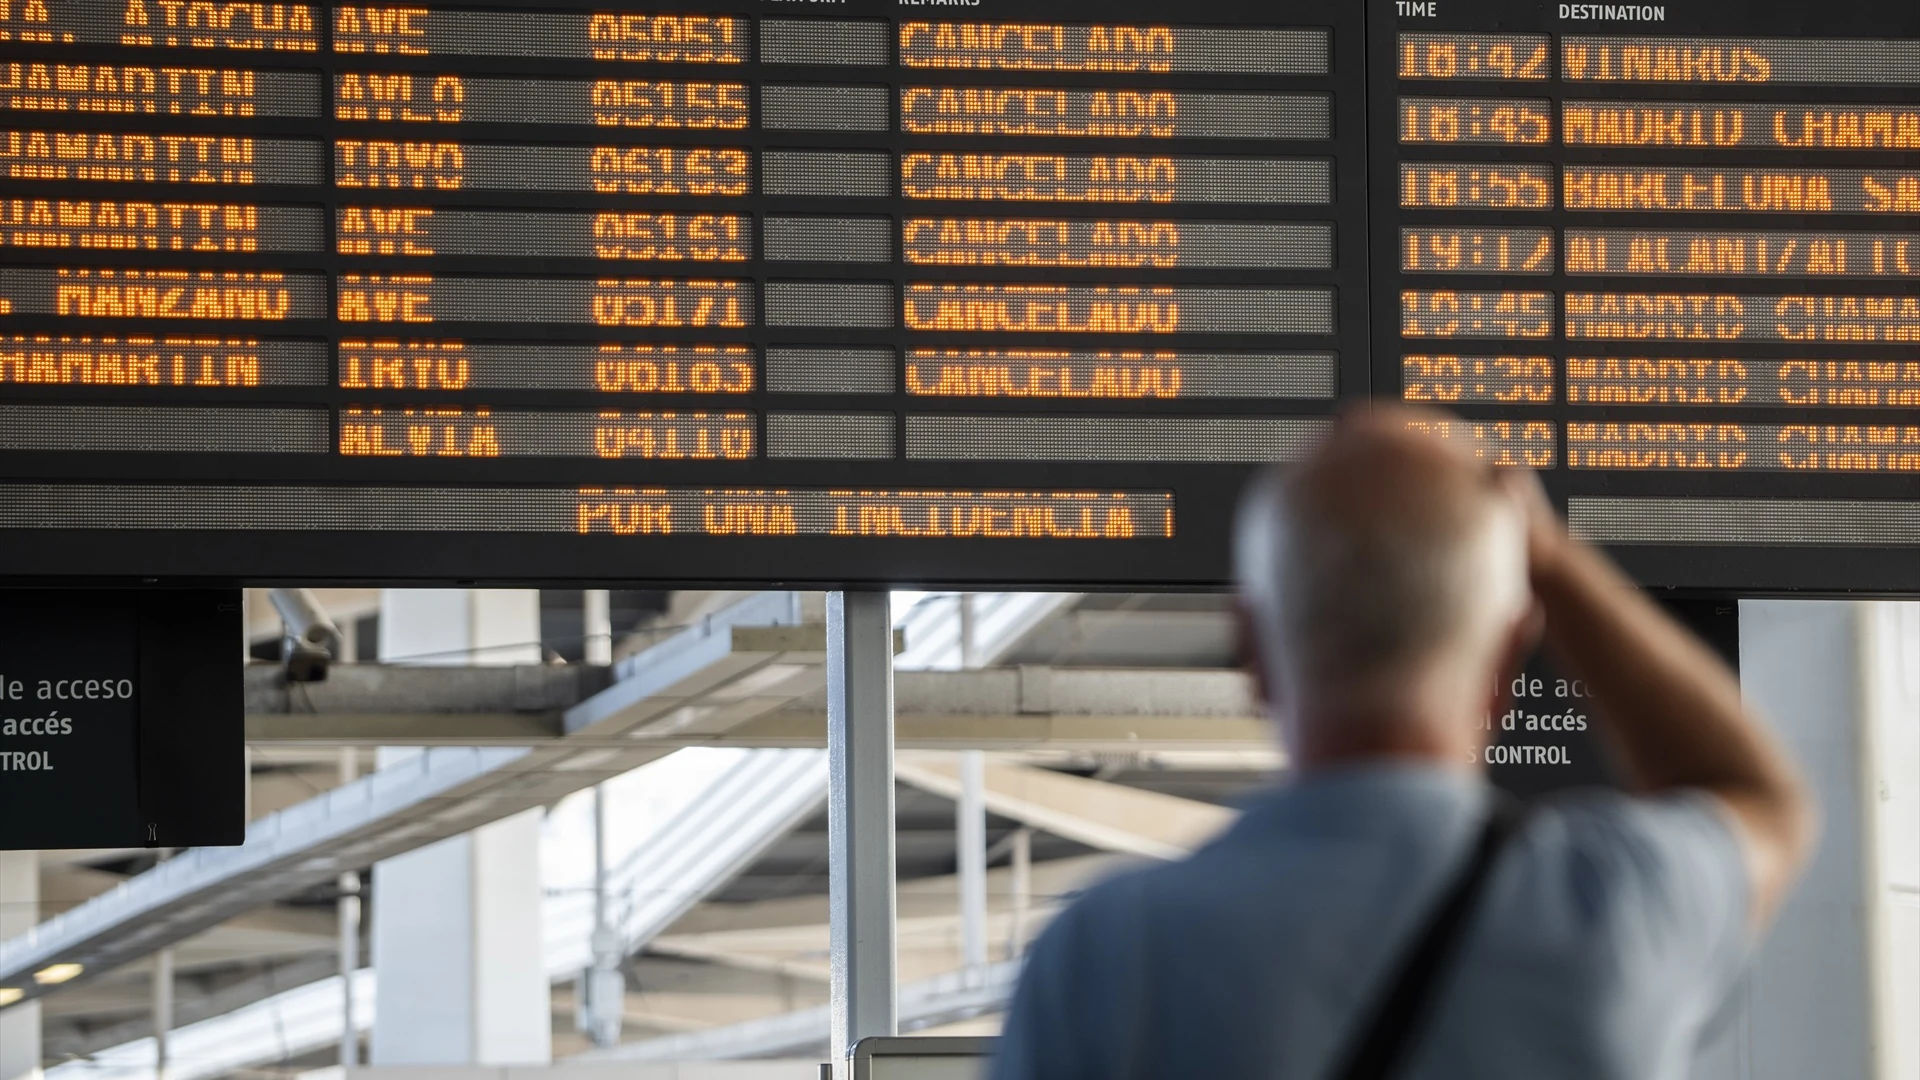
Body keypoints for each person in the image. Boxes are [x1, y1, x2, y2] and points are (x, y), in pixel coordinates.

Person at [991, 407, 1816, 1080]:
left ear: (1252, 651)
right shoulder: (1615, 910)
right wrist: (1553, 561)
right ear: (1505, 662)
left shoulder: (1104, 956)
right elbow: (1758, 794)